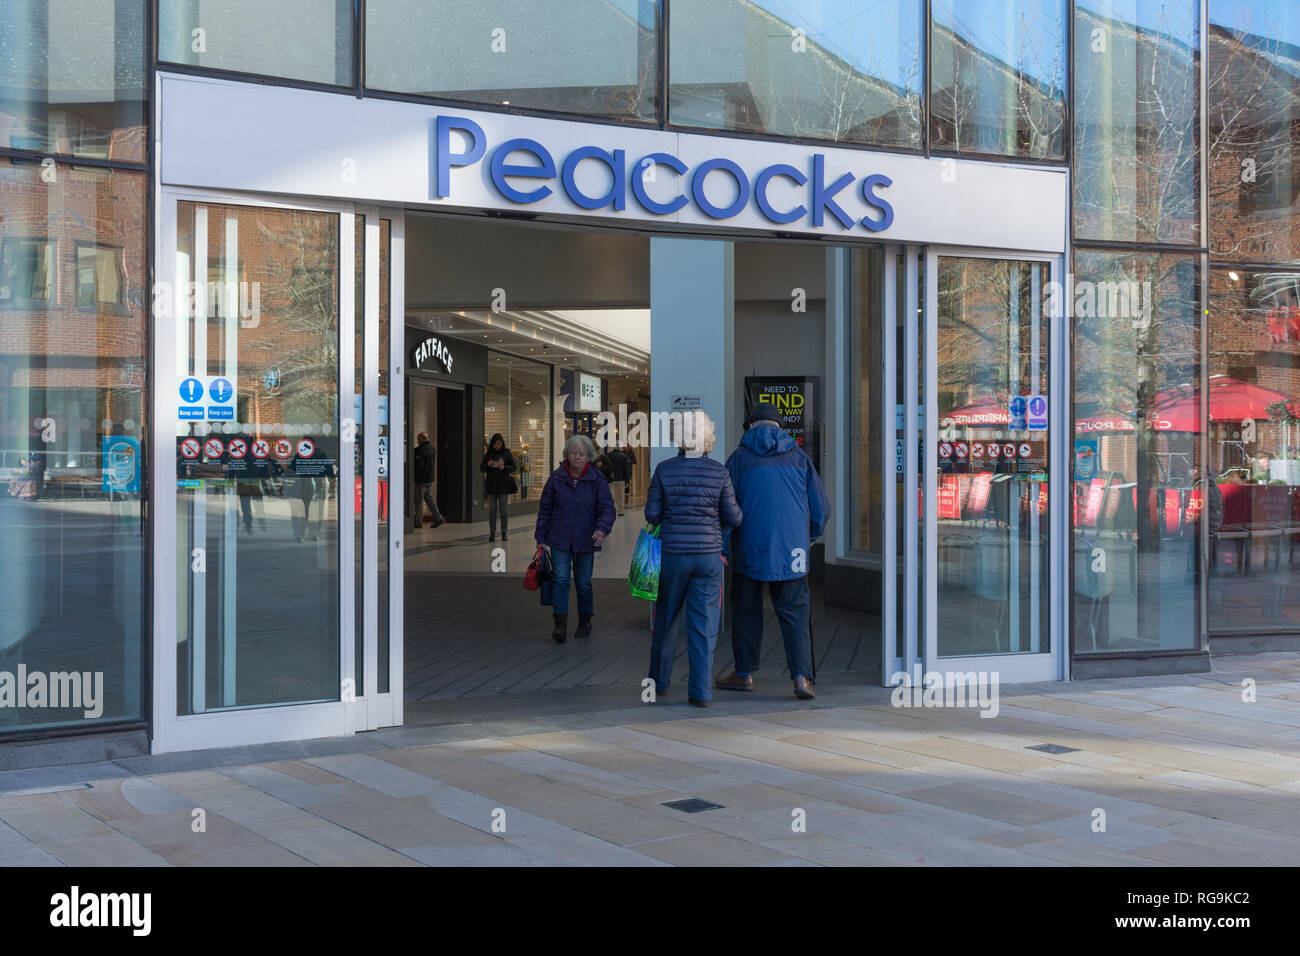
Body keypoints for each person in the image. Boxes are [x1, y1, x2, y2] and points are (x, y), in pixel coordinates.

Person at [716, 404, 829, 700]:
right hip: (792, 551)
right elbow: (820, 509)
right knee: (795, 615)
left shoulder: (738, 459)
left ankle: (744, 675)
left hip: (749, 548)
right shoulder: (799, 458)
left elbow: (726, 509)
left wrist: (724, 546)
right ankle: (801, 679)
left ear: (749, 426)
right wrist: (810, 537)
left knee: (746, 613)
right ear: (781, 428)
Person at [644, 410, 742, 707]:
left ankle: (659, 683)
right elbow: (734, 518)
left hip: (673, 556)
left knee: (666, 620)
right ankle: (700, 692)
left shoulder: (664, 469)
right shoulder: (719, 472)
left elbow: (651, 514)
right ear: (707, 439)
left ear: (679, 438)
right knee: (703, 625)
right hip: (708, 558)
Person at [535, 434, 616, 642]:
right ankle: (560, 624)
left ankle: (585, 620)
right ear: (567, 455)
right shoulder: (556, 477)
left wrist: (602, 529)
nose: (577, 457)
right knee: (561, 580)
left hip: (586, 539)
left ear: (589, 456)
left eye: (582, 454)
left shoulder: (597, 479)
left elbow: (607, 508)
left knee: (583, 582)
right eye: (573, 453)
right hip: (560, 538)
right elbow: (545, 508)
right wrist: (541, 536)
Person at [480, 433, 517, 541]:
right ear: (492, 444)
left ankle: (504, 531)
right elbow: (482, 468)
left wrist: (504, 467)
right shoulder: (489, 454)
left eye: (499, 443)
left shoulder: (507, 453)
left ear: (502, 443)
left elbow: (514, 467)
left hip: (503, 485)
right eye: (495, 444)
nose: (497, 446)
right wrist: (488, 464)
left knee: (503, 509)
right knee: (492, 509)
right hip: (491, 485)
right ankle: (492, 531)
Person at [412, 431, 444, 529]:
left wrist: (415, 478)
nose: (417, 441)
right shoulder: (432, 449)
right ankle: (438, 517)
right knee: (428, 498)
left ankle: (418, 522)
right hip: (430, 479)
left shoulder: (419, 451)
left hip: (421, 480)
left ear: (421, 439)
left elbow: (419, 467)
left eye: (418, 439)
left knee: (418, 500)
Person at [606, 444, 630, 516]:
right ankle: (620, 511)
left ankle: (611, 510)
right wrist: (627, 480)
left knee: (611, 495)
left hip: (611, 478)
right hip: (621, 478)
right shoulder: (624, 456)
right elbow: (626, 469)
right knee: (620, 495)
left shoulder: (608, 455)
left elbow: (607, 467)